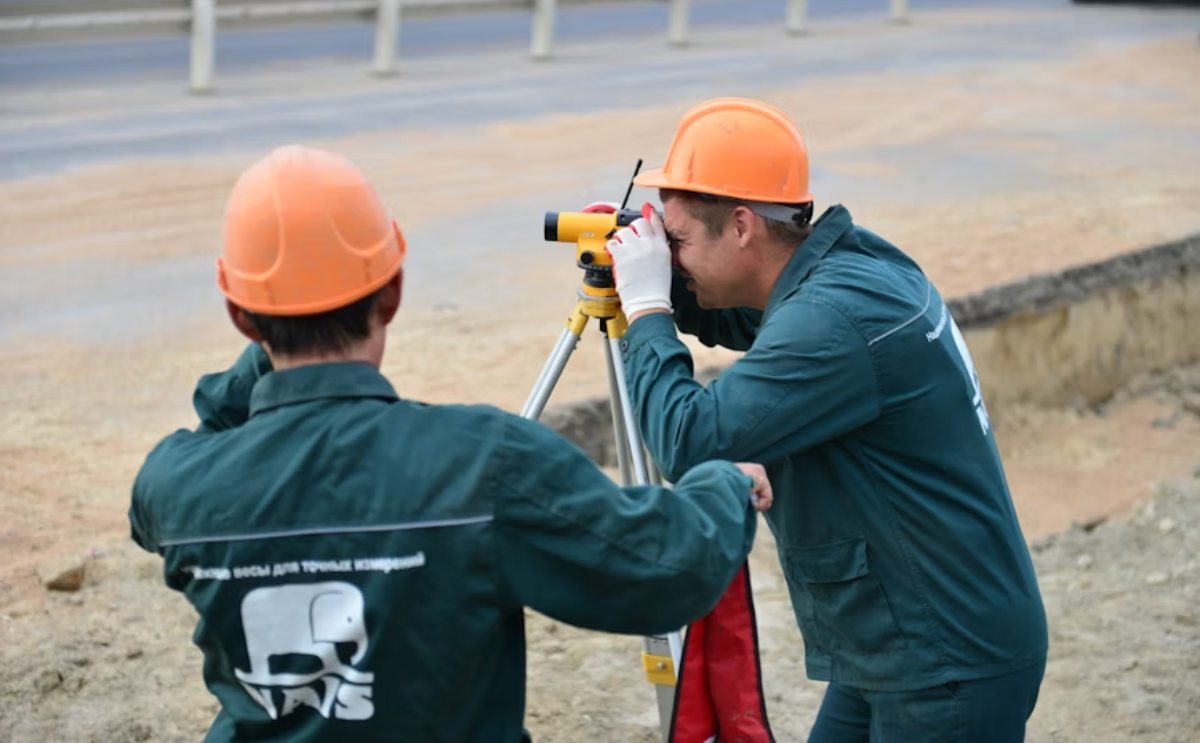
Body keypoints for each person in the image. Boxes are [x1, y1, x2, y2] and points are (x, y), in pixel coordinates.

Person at [128, 144, 774, 742]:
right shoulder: (484, 463)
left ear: (239, 315)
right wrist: (726, 483)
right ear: (393, 293)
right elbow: (668, 568)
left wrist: (280, 324)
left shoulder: (178, 487)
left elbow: (217, 419)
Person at [604, 98, 1048, 741]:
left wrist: (644, 306)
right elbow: (745, 314)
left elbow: (690, 440)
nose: (671, 257)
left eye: (676, 243)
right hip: (904, 639)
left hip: (945, 661)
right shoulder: (852, 269)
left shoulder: (837, 320)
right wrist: (652, 270)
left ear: (741, 226)